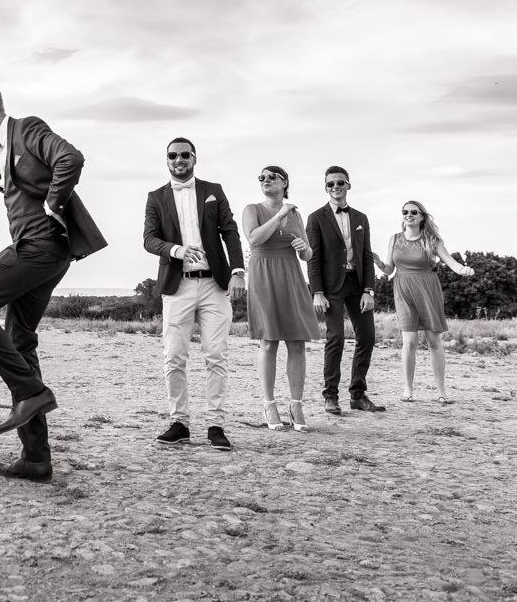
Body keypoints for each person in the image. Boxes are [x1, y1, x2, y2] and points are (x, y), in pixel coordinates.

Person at [0, 75, 107, 484]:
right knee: (20, 340)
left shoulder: (28, 128)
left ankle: (32, 393)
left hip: (38, 247)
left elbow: (70, 157)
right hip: (44, 253)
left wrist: (55, 203)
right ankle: (36, 459)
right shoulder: (1, 147)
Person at [143, 138, 246, 450]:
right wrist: (175, 250)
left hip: (215, 284)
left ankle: (216, 425)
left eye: (184, 155)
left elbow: (230, 231)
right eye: (172, 156)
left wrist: (238, 272)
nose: (179, 160)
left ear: (194, 158)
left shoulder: (213, 189)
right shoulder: (156, 197)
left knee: (216, 355)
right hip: (178, 285)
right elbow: (149, 239)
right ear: (167, 161)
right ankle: (180, 422)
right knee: (174, 356)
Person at [242, 166, 316, 432]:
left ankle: (296, 404)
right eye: (261, 177)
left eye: (272, 177)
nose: (265, 180)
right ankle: (269, 403)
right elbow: (253, 240)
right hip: (264, 275)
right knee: (269, 342)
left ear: (285, 183)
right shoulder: (252, 209)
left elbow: (308, 255)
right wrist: (280, 215)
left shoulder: (297, 214)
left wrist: (303, 248)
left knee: (297, 342)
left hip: (291, 275)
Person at [306, 165, 384, 415]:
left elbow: (366, 255)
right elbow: (313, 259)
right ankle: (330, 396)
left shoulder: (361, 218)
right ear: (325, 188)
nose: (336, 187)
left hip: (358, 284)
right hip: (330, 288)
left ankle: (358, 395)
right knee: (336, 338)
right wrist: (317, 292)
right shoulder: (316, 218)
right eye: (330, 184)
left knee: (368, 337)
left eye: (340, 183)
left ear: (348, 185)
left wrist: (369, 290)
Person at [378, 201, 474, 404]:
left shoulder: (432, 240)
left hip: (428, 290)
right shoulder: (394, 239)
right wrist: (378, 262)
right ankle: (408, 389)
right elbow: (388, 269)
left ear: (422, 217)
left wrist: (463, 269)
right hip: (403, 291)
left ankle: (441, 391)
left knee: (433, 341)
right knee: (409, 342)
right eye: (405, 212)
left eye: (414, 212)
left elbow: (452, 262)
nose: (409, 215)